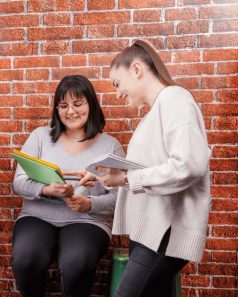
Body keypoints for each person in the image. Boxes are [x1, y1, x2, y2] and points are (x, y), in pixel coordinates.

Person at [78, 40, 211, 297]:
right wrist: (106, 176)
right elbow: (148, 169)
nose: (117, 94)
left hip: (163, 231)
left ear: (137, 69)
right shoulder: (155, 112)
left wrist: (128, 177)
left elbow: (189, 166)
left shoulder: (175, 99)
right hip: (152, 229)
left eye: (117, 83)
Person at [11, 75, 124, 297]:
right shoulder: (40, 137)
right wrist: (45, 190)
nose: (70, 112)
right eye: (63, 106)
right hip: (38, 217)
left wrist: (88, 203)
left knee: (76, 263)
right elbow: (19, 183)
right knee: (25, 258)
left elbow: (120, 198)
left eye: (78, 104)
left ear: (91, 104)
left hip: (87, 220)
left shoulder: (110, 146)